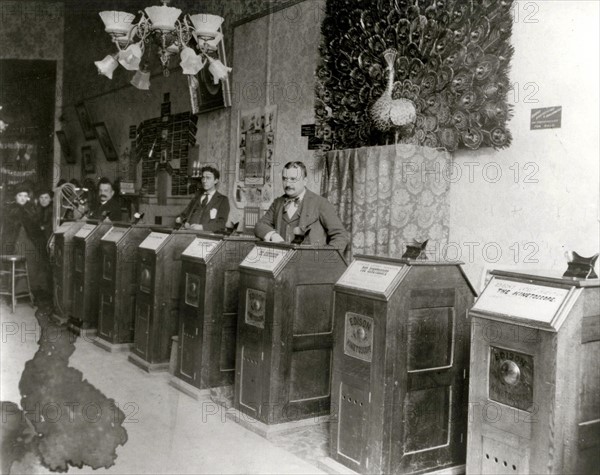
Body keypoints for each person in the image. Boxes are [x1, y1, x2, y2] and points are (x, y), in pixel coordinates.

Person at [255, 161, 349, 250]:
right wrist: (272, 235)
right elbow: (260, 225)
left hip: (310, 264)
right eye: (285, 179)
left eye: (293, 179)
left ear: (305, 181)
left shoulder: (321, 203)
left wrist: (326, 258)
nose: (288, 184)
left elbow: (340, 236)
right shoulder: (278, 203)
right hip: (281, 262)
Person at [0, 184, 52, 306]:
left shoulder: (30, 209)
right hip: (14, 242)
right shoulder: (11, 210)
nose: (23, 198)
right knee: (27, 259)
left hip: (29, 241)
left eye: (25, 196)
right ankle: (19, 290)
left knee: (37, 259)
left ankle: (35, 291)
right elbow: (8, 231)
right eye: (20, 195)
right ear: (15, 197)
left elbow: (35, 230)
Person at [176, 166, 230, 232]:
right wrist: (181, 220)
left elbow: (221, 225)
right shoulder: (196, 197)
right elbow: (183, 215)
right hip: (189, 234)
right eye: (203, 178)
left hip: (208, 238)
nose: (204, 181)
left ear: (216, 180)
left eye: (208, 178)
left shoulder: (222, 200)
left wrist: (202, 227)